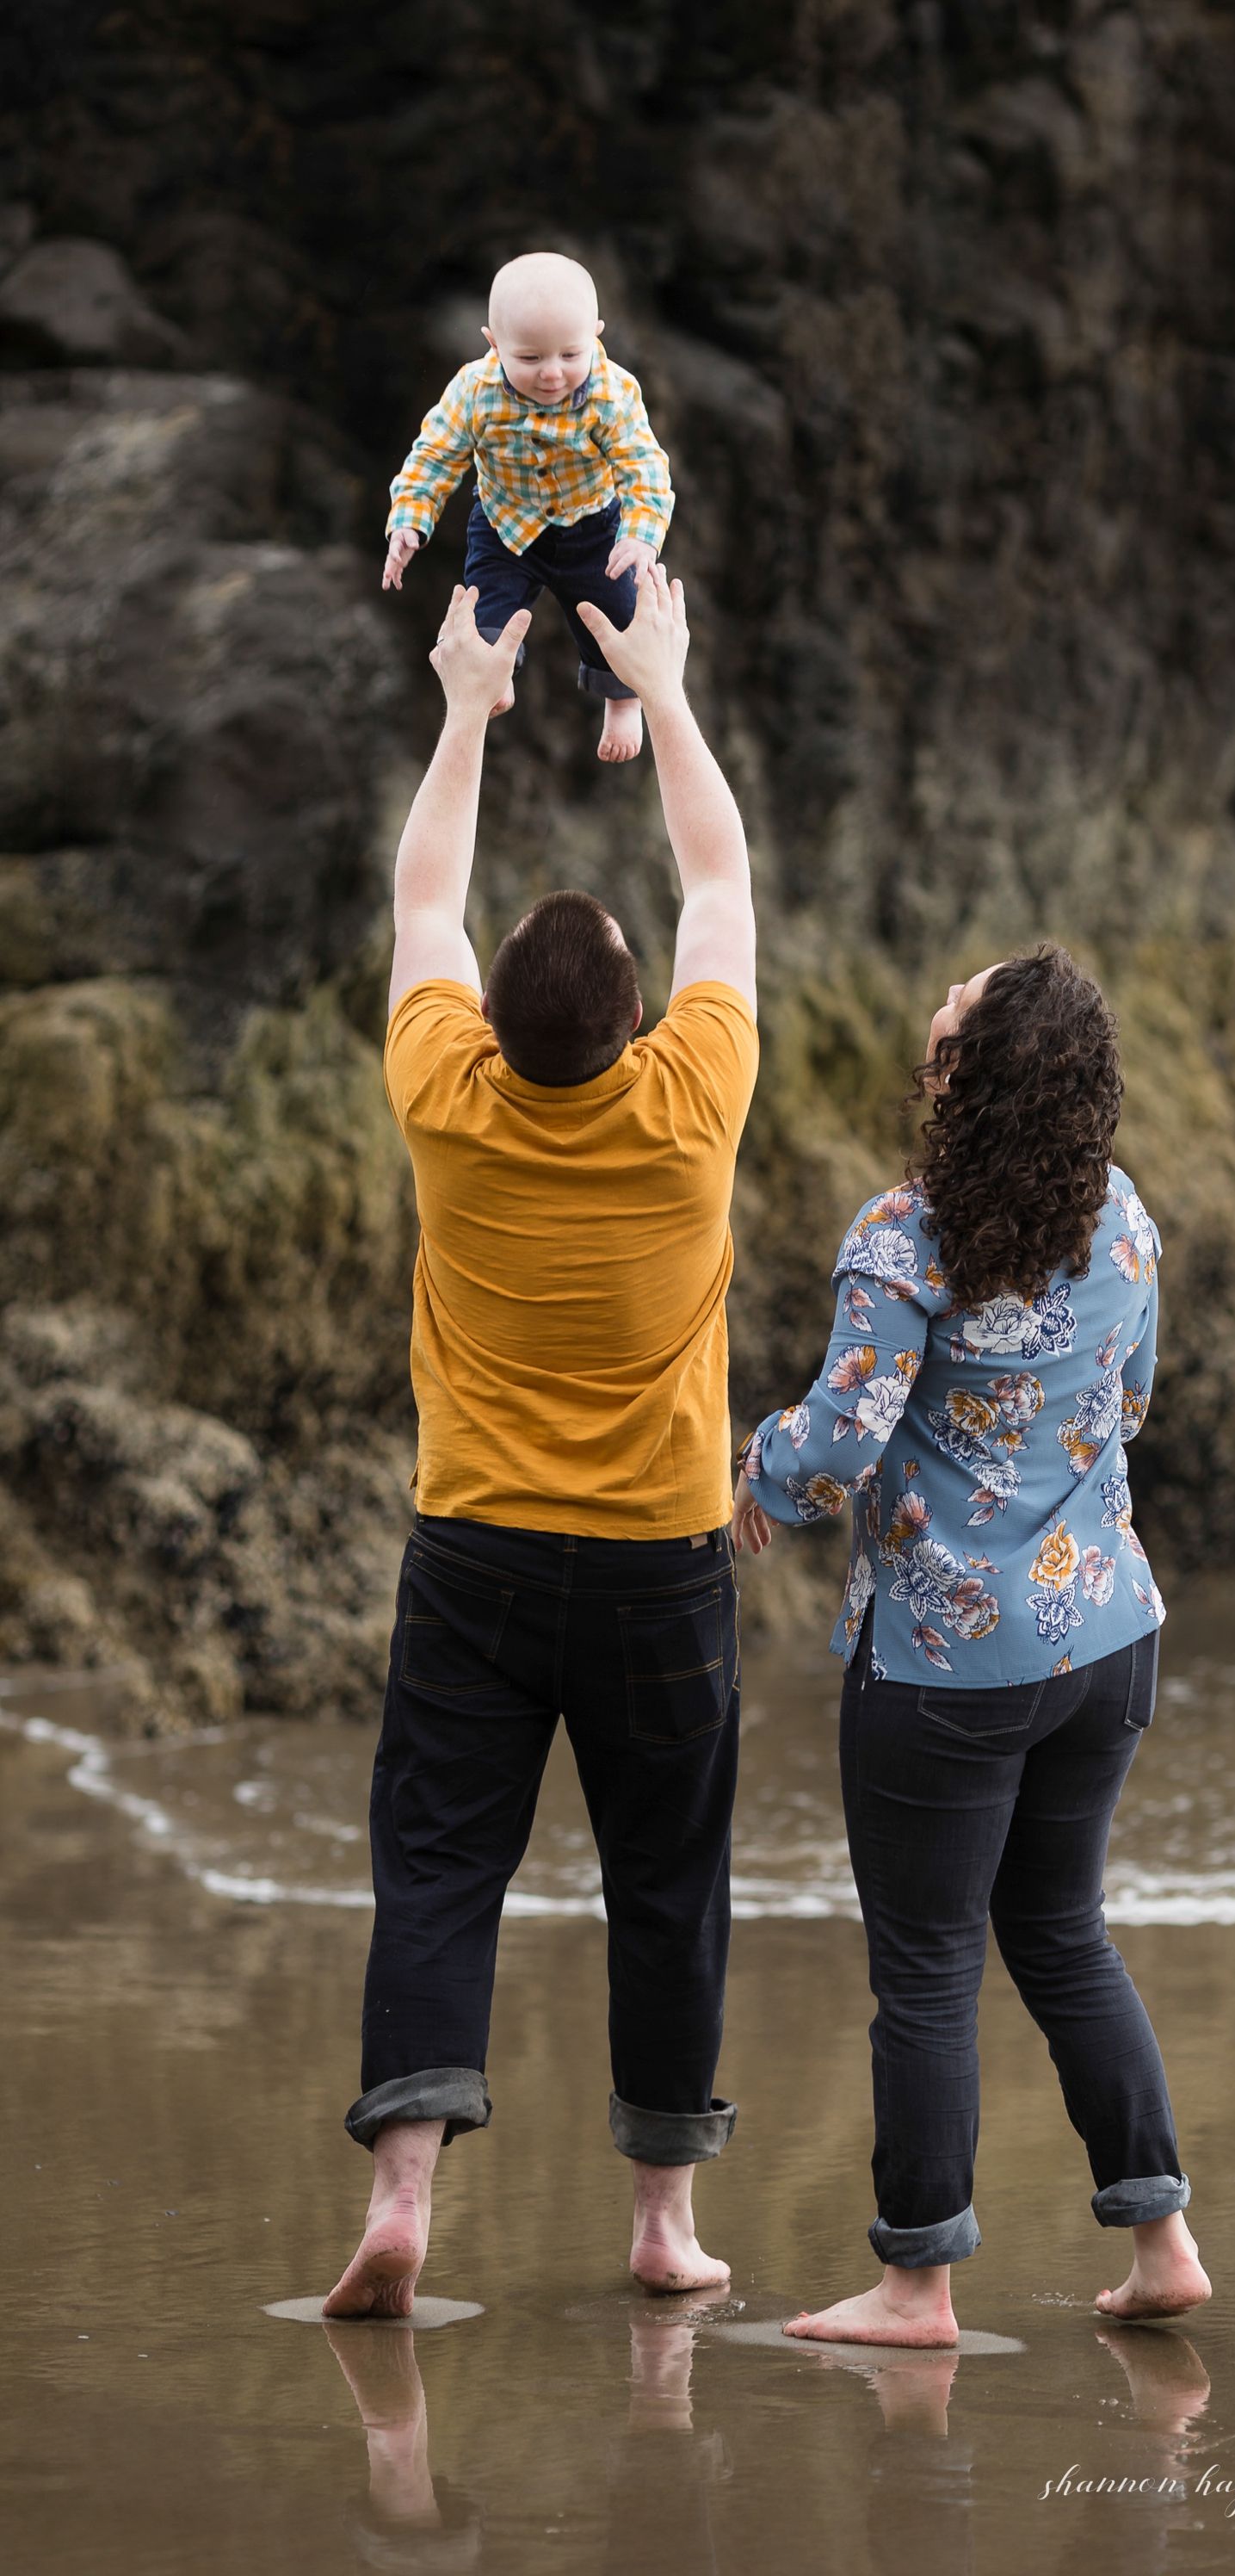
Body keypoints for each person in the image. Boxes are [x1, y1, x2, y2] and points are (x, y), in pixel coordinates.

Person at [324, 559, 756, 2319]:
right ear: (637, 1023)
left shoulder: (444, 1092)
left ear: (490, 1023)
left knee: (438, 1864)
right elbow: (716, 874)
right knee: (666, 1880)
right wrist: (663, 686)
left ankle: (406, 2186)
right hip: (662, 1559)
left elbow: (423, 888)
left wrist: (465, 709)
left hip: (477, 1551)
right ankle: (659, 2223)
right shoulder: (688, 1102)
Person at [732, 949, 1211, 2349]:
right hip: (1109, 1637)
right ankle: (1161, 2237)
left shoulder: (904, 1238)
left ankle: (917, 2285)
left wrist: (749, 1476)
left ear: (964, 1079)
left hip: (946, 1664)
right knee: (1064, 1934)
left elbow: (838, 1440)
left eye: (951, 1015)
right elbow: (1127, 1403)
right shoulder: (1124, 1221)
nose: (933, 1005)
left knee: (931, 1965)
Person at [383, 251, 672, 762]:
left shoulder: (611, 393)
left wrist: (641, 533)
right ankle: (493, 677)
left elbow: (643, 465)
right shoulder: (475, 391)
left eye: (569, 354)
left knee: (618, 613)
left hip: (593, 528)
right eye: (531, 358)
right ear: (494, 345)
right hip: (505, 525)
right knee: (482, 612)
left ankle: (624, 699)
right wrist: (410, 519)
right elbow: (434, 455)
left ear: (596, 334)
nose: (553, 374)